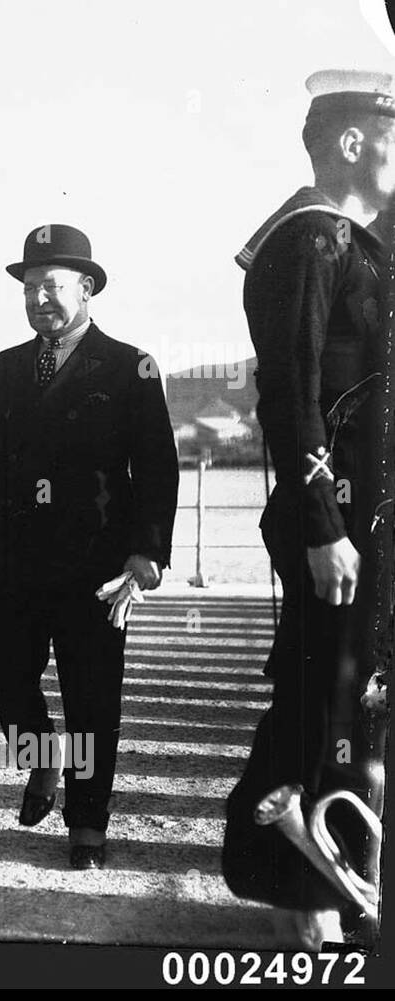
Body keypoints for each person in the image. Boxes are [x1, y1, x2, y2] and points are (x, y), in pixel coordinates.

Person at [222, 69, 394, 947]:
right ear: (354, 141)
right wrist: (323, 525)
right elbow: (289, 395)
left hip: (365, 521)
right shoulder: (312, 240)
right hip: (335, 523)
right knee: (323, 700)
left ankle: (330, 879)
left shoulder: (356, 241)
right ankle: (301, 896)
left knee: (350, 700)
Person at [0, 224, 178, 869]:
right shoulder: (1, 369)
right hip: (14, 559)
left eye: (51, 286)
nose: (38, 300)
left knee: (91, 695)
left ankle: (87, 823)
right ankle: (40, 760)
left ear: (86, 289)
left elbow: (157, 468)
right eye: (29, 288)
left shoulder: (128, 365)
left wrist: (148, 553)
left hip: (95, 565)